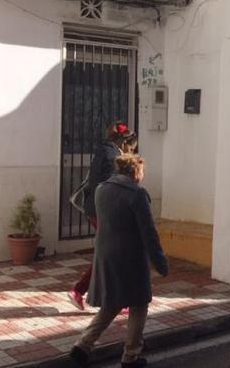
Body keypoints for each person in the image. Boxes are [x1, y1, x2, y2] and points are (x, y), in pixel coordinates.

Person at [69, 154, 168, 368]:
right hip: (131, 259)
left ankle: (83, 345)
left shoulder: (101, 190)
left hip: (106, 255)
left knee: (111, 303)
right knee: (139, 305)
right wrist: (160, 262)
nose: (143, 175)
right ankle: (130, 357)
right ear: (135, 172)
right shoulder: (137, 194)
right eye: (142, 171)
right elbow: (149, 233)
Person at [68, 122, 137, 311]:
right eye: (130, 148)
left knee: (108, 253)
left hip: (95, 210)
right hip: (103, 211)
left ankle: (82, 292)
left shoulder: (103, 152)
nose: (130, 152)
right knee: (112, 254)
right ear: (124, 143)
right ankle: (109, 298)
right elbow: (110, 187)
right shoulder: (113, 156)